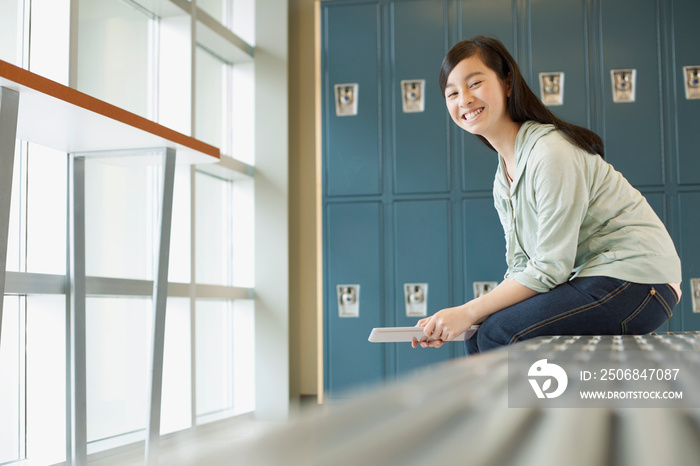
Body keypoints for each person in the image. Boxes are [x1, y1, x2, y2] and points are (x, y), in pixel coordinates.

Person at [412, 35, 682, 354]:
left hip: (638, 282)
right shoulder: (504, 177)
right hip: (598, 280)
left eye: (475, 83)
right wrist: (464, 319)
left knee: (497, 332)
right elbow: (520, 265)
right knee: (479, 332)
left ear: (507, 83)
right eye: (452, 93)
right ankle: (517, 404)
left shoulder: (550, 152)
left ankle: (516, 406)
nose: (464, 99)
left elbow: (551, 266)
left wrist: (468, 311)